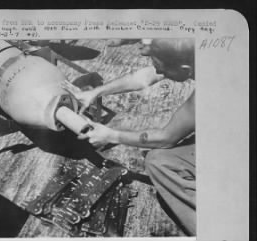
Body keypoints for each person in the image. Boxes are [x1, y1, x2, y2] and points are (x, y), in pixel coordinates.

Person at [68, 38, 196, 236]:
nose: (160, 74)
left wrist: (111, 135)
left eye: (164, 70)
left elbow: (167, 137)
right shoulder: (193, 57)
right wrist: (96, 92)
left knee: (158, 161)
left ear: (185, 68)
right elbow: (144, 77)